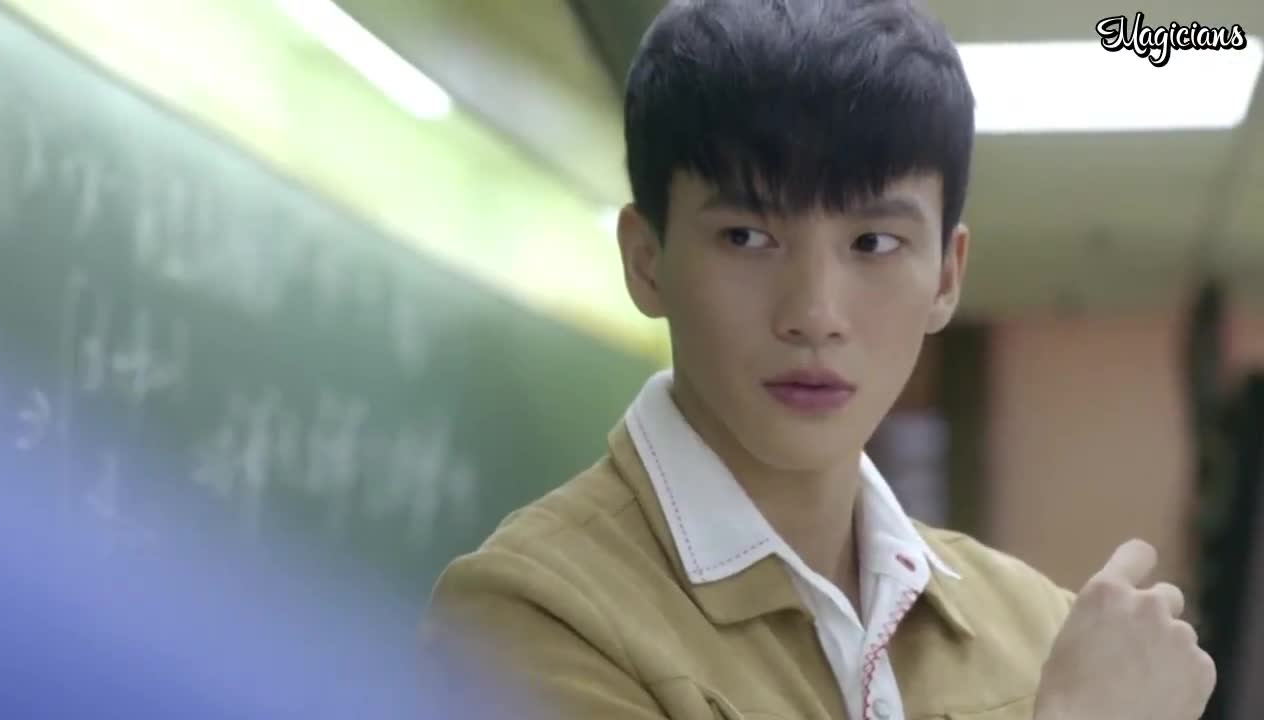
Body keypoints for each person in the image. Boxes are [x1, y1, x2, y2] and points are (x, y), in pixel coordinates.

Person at [417, 1, 1217, 718]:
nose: (814, 315)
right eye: (747, 237)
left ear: (946, 277)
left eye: (874, 243)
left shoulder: (1037, 627)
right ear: (647, 260)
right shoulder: (531, 616)